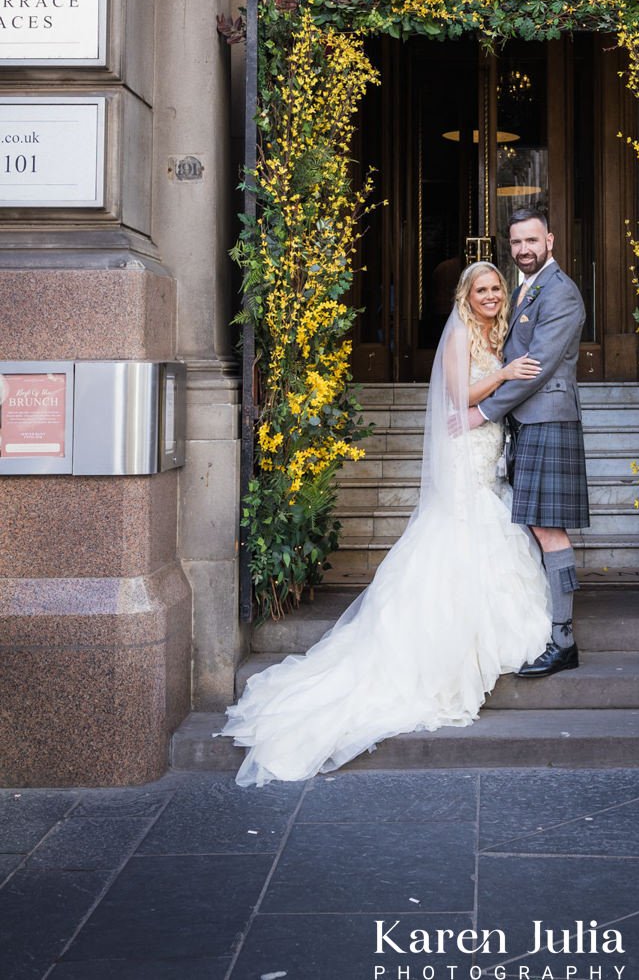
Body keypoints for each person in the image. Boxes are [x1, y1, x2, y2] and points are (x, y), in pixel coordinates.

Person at [218, 262, 550, 785]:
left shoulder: (497, 329)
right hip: (466, 450)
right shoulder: (461, 332)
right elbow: (458, 397)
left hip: (487, 449)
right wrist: (506, 374)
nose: (490, 296)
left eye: (496, 288)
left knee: (488, 523)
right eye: (481, 289)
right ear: (465, 295)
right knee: (459, 533)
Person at [467, 207, 589, 679]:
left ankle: (563, 639)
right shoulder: (524, 288)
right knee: (537, 526)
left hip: (548, 421)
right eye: (516, 242)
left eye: (531, 241)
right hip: (529, 422)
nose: (523, 249)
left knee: (548, 528)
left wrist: (483, 410)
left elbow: (534, 368)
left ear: (550, 241)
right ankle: (549, 628)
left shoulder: (560, 293)